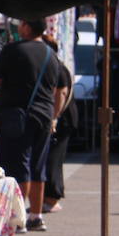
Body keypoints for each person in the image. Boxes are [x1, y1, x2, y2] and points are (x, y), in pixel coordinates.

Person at [0, 17, 71, 231]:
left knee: (19, 165)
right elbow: (61, 90)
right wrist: (54, 116)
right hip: (43, 117)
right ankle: (35, 215)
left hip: (17, 115)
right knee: (38, 166)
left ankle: (20, 217)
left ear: (26, 26)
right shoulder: (51, 55)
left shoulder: (13, 50)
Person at [43, 48, 79, 212]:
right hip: (62, 118)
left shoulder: (57, 67)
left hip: (61, 120)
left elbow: (61, 93)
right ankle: (49, 197)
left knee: (53, 159)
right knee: (52, 159)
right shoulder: (58, 66)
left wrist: (54, 118)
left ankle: (52, 198)